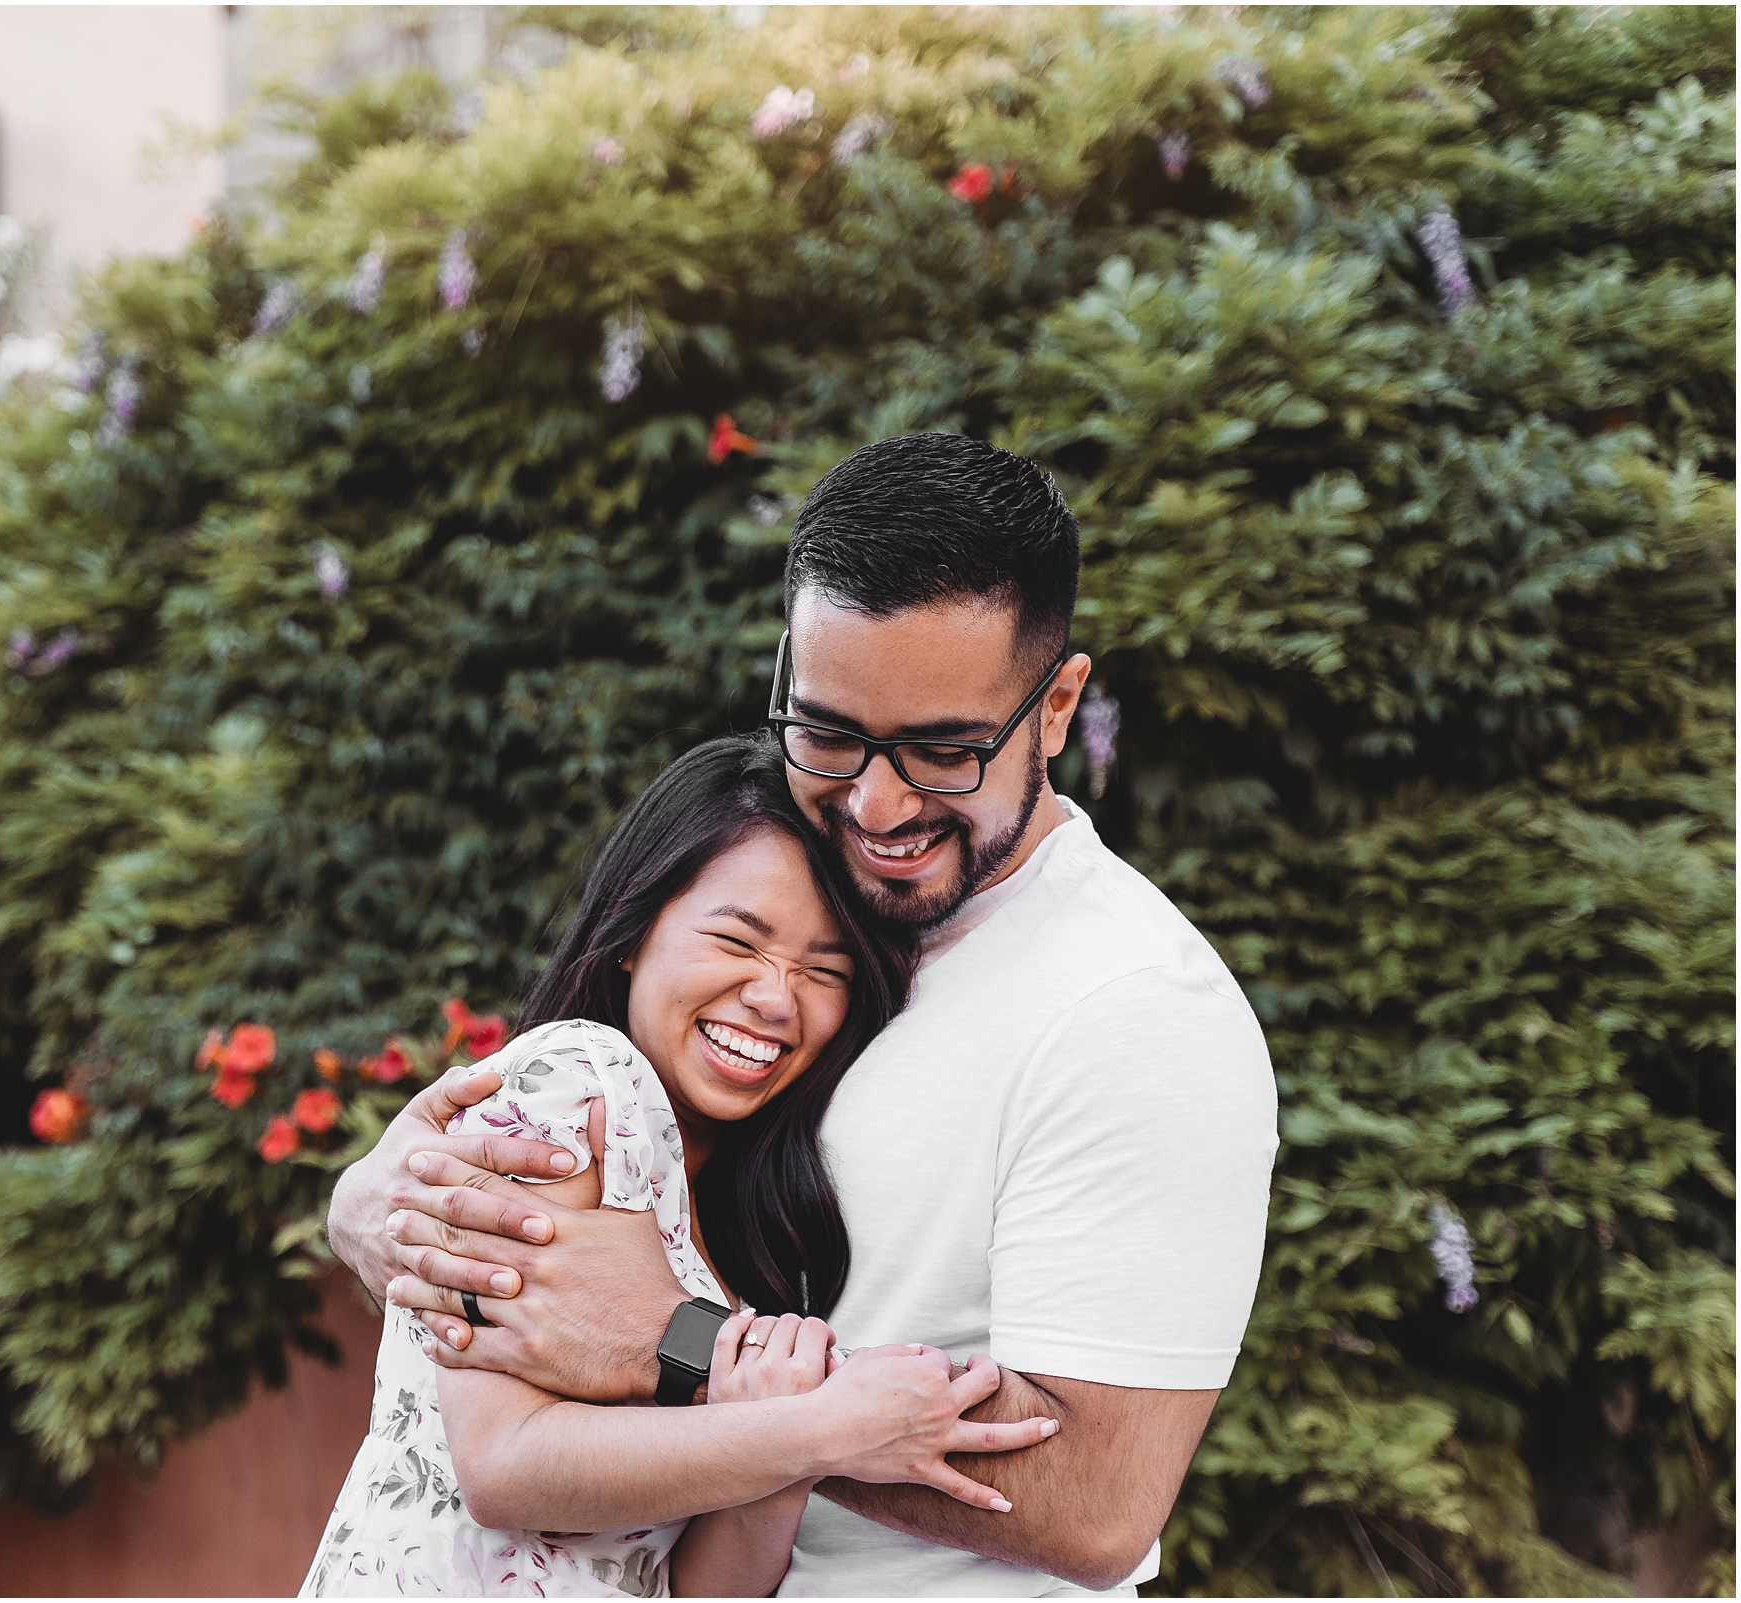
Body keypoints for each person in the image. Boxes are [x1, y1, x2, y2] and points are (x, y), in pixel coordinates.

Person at [330, 433, 1280, 1596]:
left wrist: (687, 1353)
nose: (877, 803)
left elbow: (1098, 1506)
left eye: (943, 751)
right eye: (830, 732)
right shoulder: (810, 891)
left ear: (1055, 709)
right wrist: (372, 1209)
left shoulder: (1132, 1008)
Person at [303, 734, 1059, 1597]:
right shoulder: (573, 1082)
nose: (776, 997)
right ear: (634, 931)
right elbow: (502, 1464)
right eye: (738, 941)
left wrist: (779, 1462)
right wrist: (825, 1430)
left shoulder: (755, 1226)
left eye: (826, 969)